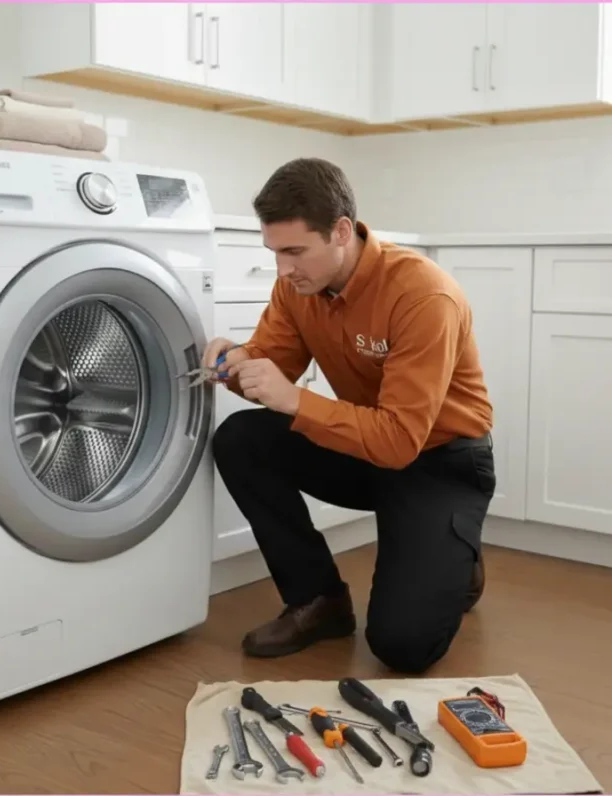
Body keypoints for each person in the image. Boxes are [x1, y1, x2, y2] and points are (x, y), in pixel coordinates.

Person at [205, 157, 495, 674]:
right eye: (274, 252)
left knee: (403, 647)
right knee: (241, 439)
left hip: (439, 461)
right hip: (365, 447)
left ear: (341, 231)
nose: (283, 269)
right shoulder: (298, 288)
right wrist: (237, 363)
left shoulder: (422, 295)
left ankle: (458, 553)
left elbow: (401, 442)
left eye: (295, 251)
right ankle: (319, 601)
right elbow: (277, 365)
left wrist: (292, 399)